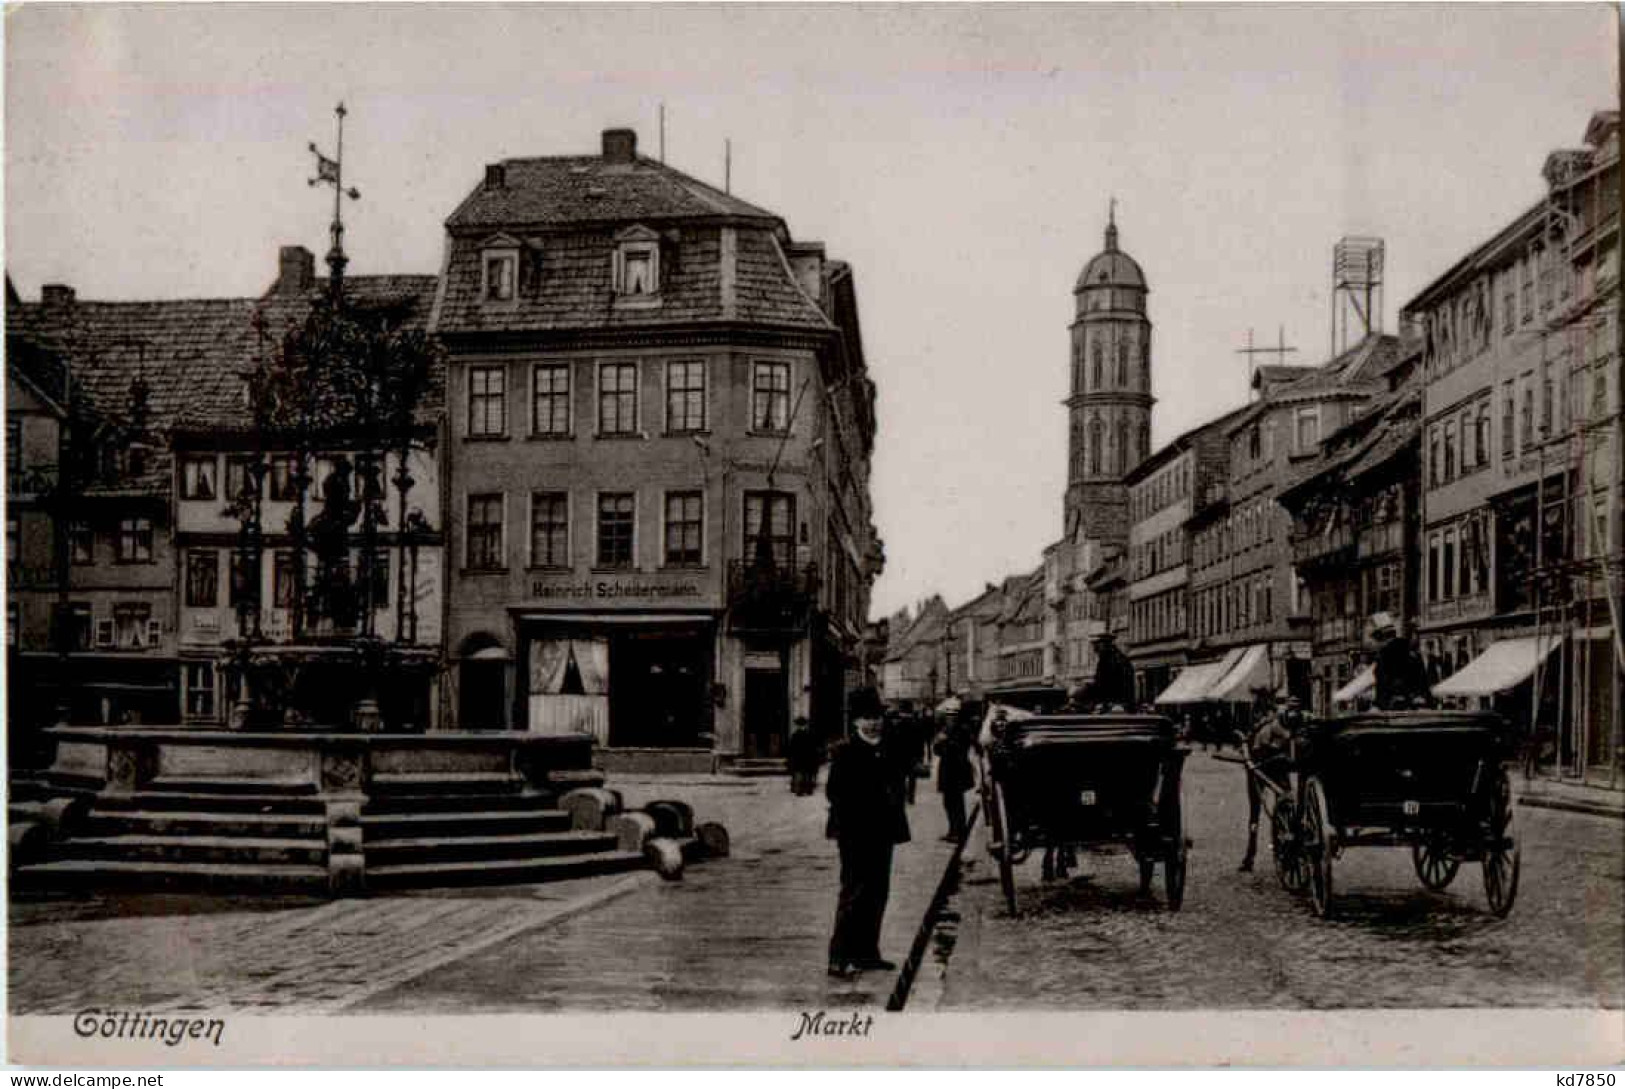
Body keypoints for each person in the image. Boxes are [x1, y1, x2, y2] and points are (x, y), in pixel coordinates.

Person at [825, 686, 910, 977]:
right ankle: (838, 956)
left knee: (878, 892)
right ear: (855, 722)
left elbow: (898, 785)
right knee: (853, 892)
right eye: (867, 718)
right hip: (854, 833)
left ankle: (867, 953)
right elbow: (834, 793)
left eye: (877, 717)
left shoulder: (890, 748)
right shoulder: (845, 752)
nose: (874, 723)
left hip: (883, 832)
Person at [1238, 694, 1299, 872]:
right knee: (1287, 804)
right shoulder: (1281, 725)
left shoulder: (1264, 729)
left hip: (1261, 763)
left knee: (1255, 811)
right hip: (1280, 763)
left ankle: (1250, 855)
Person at [1372, 612, 1429, 710]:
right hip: (1415, 701)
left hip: (1393, 703)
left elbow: (1382, 683)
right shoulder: (1412, 652)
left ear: (1381, 637)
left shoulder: (1384, 654)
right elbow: (1423, 679)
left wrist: (1378, 704)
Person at [934, 716, 975, 842]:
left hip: (957, 771)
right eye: (948, 717)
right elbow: (937, 751)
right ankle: (953, 830)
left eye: (952, 717)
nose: (949, 720)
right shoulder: (945, 730)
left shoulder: (962, 731)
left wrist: (946, 741)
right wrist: (939, 742)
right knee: (948, 803)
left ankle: (959, 832)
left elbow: (960, 749)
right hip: (947, 770)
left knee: (956, 803)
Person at [787, 716, 822, 796]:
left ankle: (801, 790)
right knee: (807, 774)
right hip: (807, 758)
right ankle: (807, 789)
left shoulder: (795, 735)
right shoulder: (809, 734)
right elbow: (814, 747)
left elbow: (792, 748)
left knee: (801, 774)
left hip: (800, 758)